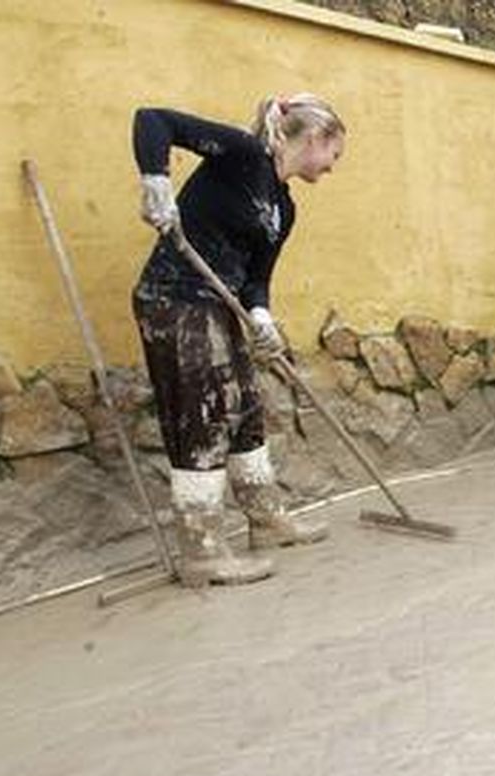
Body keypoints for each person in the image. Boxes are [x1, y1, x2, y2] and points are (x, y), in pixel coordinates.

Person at [132, 95, 345, 587]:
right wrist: (156, 181)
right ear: (313, 138)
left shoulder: (283, 207)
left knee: (246, 410)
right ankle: (202, 549)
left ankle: (266, 518)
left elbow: (256, 278)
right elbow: (154, 120)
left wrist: (262, 316)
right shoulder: (243, 155)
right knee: (204, 417)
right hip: (175, 298)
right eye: (335, 152)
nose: (334, 166)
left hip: (220, 304)